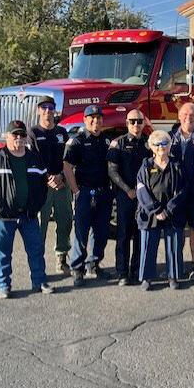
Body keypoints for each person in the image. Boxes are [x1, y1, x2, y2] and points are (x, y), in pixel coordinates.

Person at [0, 120, 53, 298]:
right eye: (15, 134)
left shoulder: (34, 158)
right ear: (7, 136)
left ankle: (39, 281)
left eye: (22, 134)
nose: (18, 138)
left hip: (29, 216)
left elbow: (43, 185)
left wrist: (37, 205)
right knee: (2, 252)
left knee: (36, 250)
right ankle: (4, 285)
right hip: (4, 217)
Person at [63, 105, 113, 286]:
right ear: (85, 120)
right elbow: (67, 166)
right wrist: (75, 190)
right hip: (84, 191)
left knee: (101, 231)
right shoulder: (77, 141)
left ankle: (93, 264)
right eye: (91, 118)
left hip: (103, 192)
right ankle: (77, 268)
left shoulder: (107, 142)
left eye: (99, 118)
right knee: (81, 232)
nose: (95, 121)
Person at [26, 96, 73, 275]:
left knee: (65, 220)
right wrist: (48, 178)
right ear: (39, 110)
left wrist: (61, 176)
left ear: (55, 110)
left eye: (51, 107)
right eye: (44, 107)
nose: (47, 110)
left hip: (62, 185)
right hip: (42, 187)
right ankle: (38, 265)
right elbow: (32, 159)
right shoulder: (32, 133)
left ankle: (61, 258)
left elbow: (68, 159)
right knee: (40, 225)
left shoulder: (62, 132)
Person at [136, 130, 187, 290]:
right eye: (157, 144)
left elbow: (183, 190)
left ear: (169, 145)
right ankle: (147, 277)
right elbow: (141, 189)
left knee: (174, 245)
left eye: (164, 143)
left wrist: (169, 209)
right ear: (152, 146)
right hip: (150, 214)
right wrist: (156, 210)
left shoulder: (176, 165)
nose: (161, 147)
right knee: (148, 246)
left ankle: (173, 276)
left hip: (172, 213)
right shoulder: (146, 165)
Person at [108, 109, 153, 286]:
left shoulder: (149, 144)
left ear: (143, 123)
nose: (136, 125)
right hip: (125, 195)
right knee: (124, 235)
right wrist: (128, 190)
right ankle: (122, 272)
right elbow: (112, 170)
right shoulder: (117, 143)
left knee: (140, 234)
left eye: (139, 121)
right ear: (127, 123)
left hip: (143, 198)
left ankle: (137, 270)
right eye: (132, 121)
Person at [169, 102, 194, 281]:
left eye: (192, 114)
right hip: (175, 194)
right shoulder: (169, 138)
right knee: (176, 229)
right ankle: (175, 266)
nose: (188, 117)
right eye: (184, 114)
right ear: (179, 116)